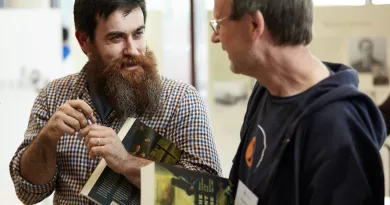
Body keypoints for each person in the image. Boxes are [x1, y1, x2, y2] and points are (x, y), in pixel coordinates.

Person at [10, 0, 221, 204]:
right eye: (116, 37)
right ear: (84, 41)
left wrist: (126, 162)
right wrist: (46, 139)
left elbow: (210, 195)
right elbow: (28, 193)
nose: (132, 50)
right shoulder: (53, 97)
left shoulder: (181, 100)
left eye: (138, 33)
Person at [210, 0, 386, 204]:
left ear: (255, 25)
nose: (215, 36)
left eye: (219, 22)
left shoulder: (338, 129)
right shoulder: (265, 90)